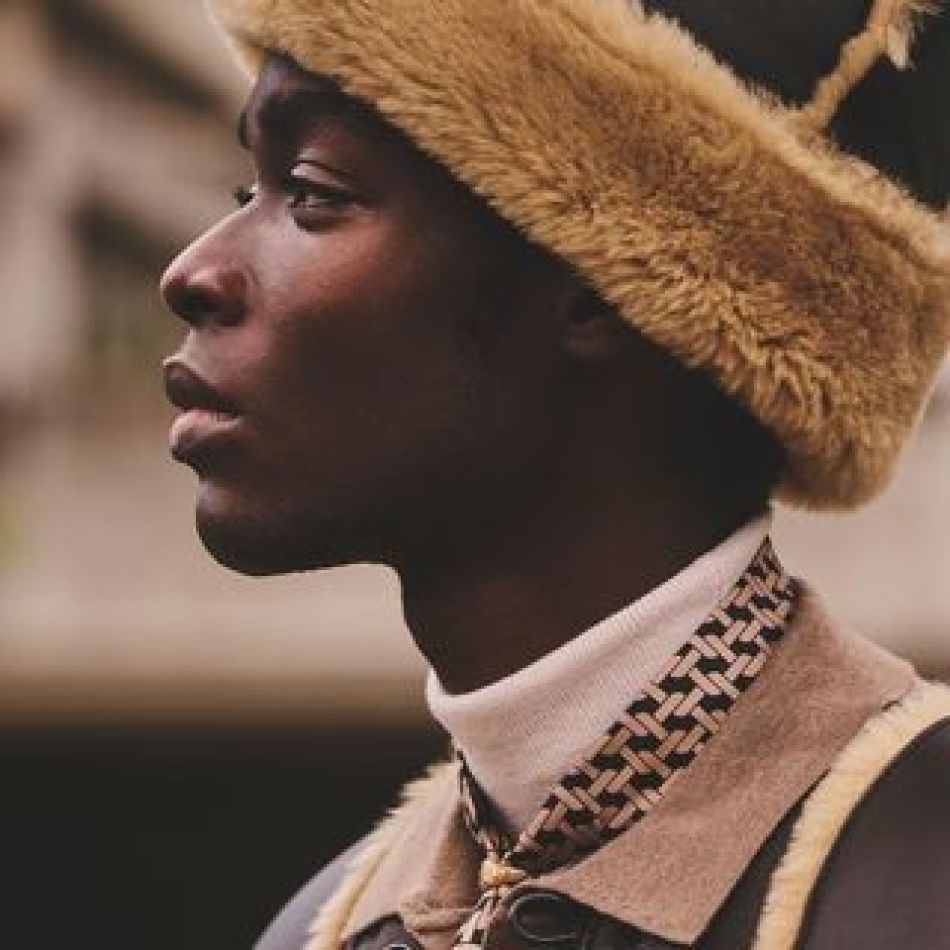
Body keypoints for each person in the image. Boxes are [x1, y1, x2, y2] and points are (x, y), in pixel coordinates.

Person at [159, 0, 950, 947]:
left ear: (607, 278)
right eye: (245, 191)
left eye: (311, 190)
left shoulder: (916, 875)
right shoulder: (324, 927)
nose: (193, 271)